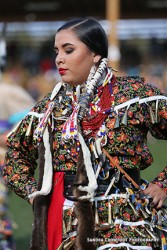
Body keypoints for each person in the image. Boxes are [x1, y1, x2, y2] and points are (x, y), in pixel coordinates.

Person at [3, 18, 167, 250]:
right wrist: (36, 195)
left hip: (126, 221)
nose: (59, 58)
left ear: (95, 54)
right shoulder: (49, 108)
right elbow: (16, 155)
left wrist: (162, 185)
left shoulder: (133, 95)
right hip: (68, 225)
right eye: (56, 51)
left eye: (69, 50)